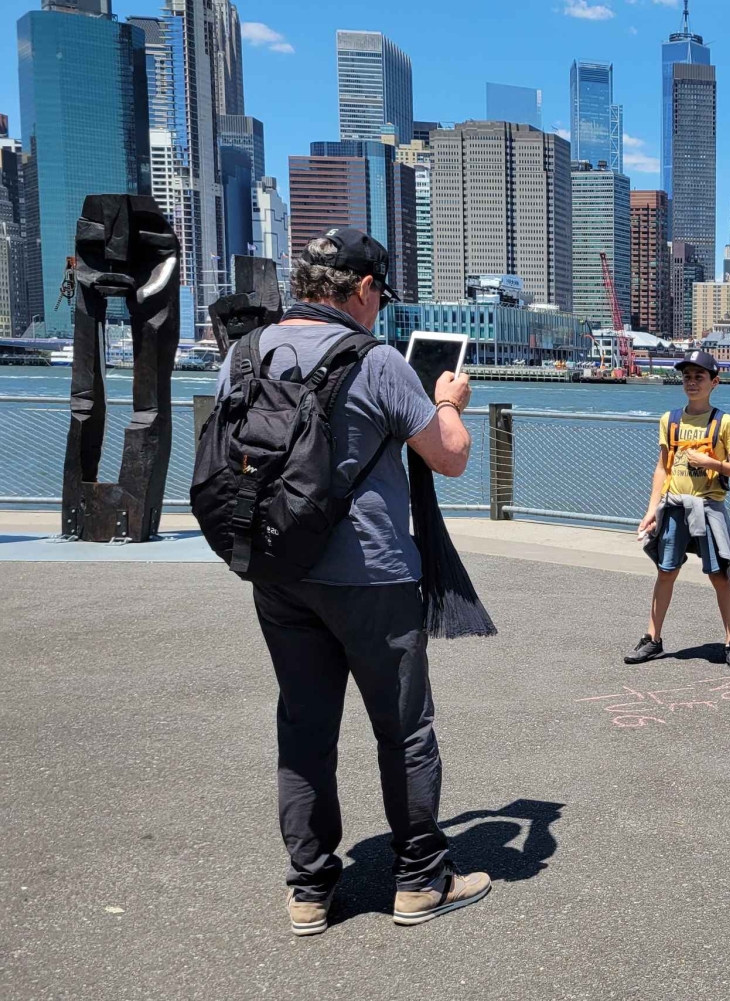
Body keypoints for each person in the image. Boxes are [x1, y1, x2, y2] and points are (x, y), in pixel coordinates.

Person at [217, 229, 490, 935]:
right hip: (372, 575)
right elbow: (450, 456)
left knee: (305, 725)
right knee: (403, 728)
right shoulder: (375, 362)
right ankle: (421, 878)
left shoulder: (245, 353)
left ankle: (310, 887)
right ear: (364, 289)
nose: (379, 309)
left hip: (277, 568)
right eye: (379, 296)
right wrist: (450, 399)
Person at [625, 350, 730, 671]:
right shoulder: (670, 420)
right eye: (687, 377)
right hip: (675, 507)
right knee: (666, 571)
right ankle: (652, 639)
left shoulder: (725, 423)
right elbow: (662, 469)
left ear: (714, 382)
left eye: (699, 377)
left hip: (709, 507)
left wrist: (711, 462)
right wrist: (652, 509)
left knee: (720, 575)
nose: (692, 383)